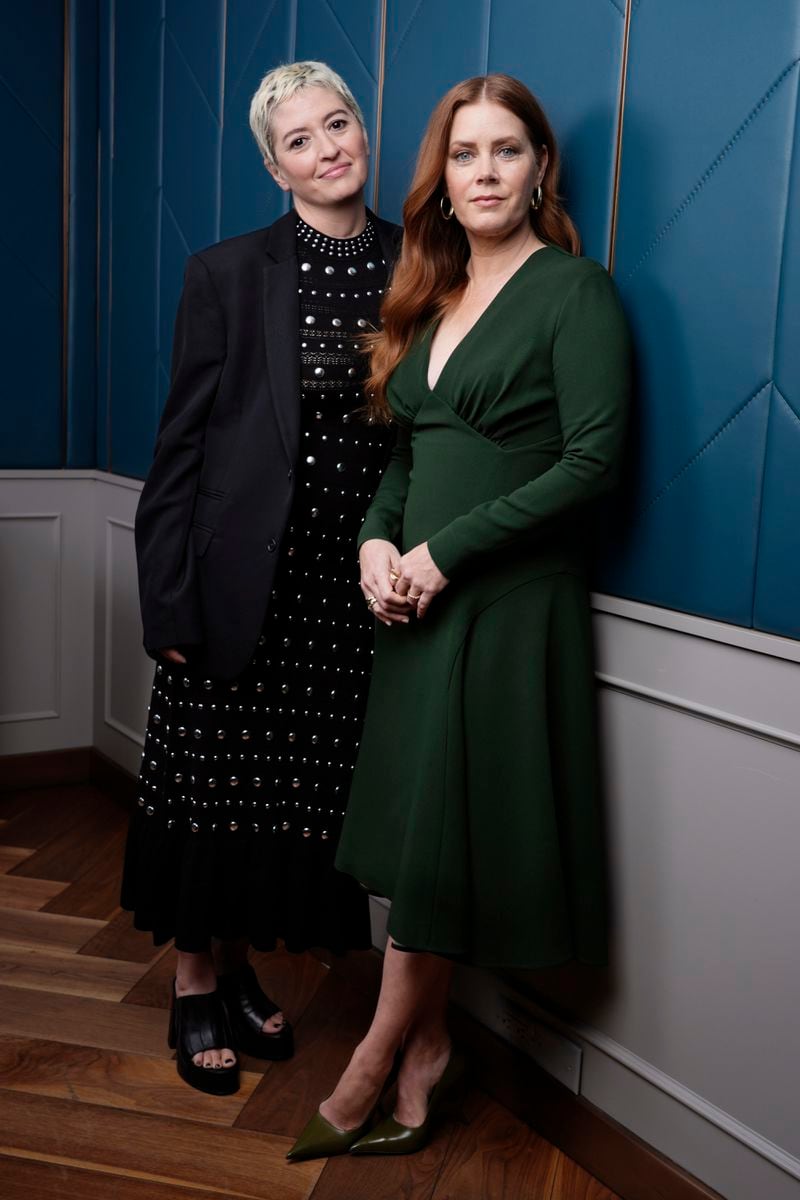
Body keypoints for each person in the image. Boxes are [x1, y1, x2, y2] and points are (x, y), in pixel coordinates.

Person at [288, 73, 631, 1160]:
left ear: (539, 171)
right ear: (440, 176)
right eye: (464, 154)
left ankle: (371, 1063)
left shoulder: (575, 293)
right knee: (419, 837)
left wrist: (443, 552)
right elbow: (404, 456)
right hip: (415, 608)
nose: (483, 173)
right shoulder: (428, 295)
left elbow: (590, 465)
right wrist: (375, 547)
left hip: (505, 607)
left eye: (506, 151)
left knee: (442, 843)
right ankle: (429, 1048)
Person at [121, 61, 401, 1096]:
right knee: (210, 788)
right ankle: (195, 982)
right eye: (300, 139)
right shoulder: (227, 272)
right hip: (234, 586)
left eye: (339, 125)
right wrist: (169, 604)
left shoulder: (420, 269)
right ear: (273, 163)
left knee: (285, 800)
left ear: (362, 132)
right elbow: (179, 454)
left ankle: (238, 972)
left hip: (348, 601)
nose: (328, 148)